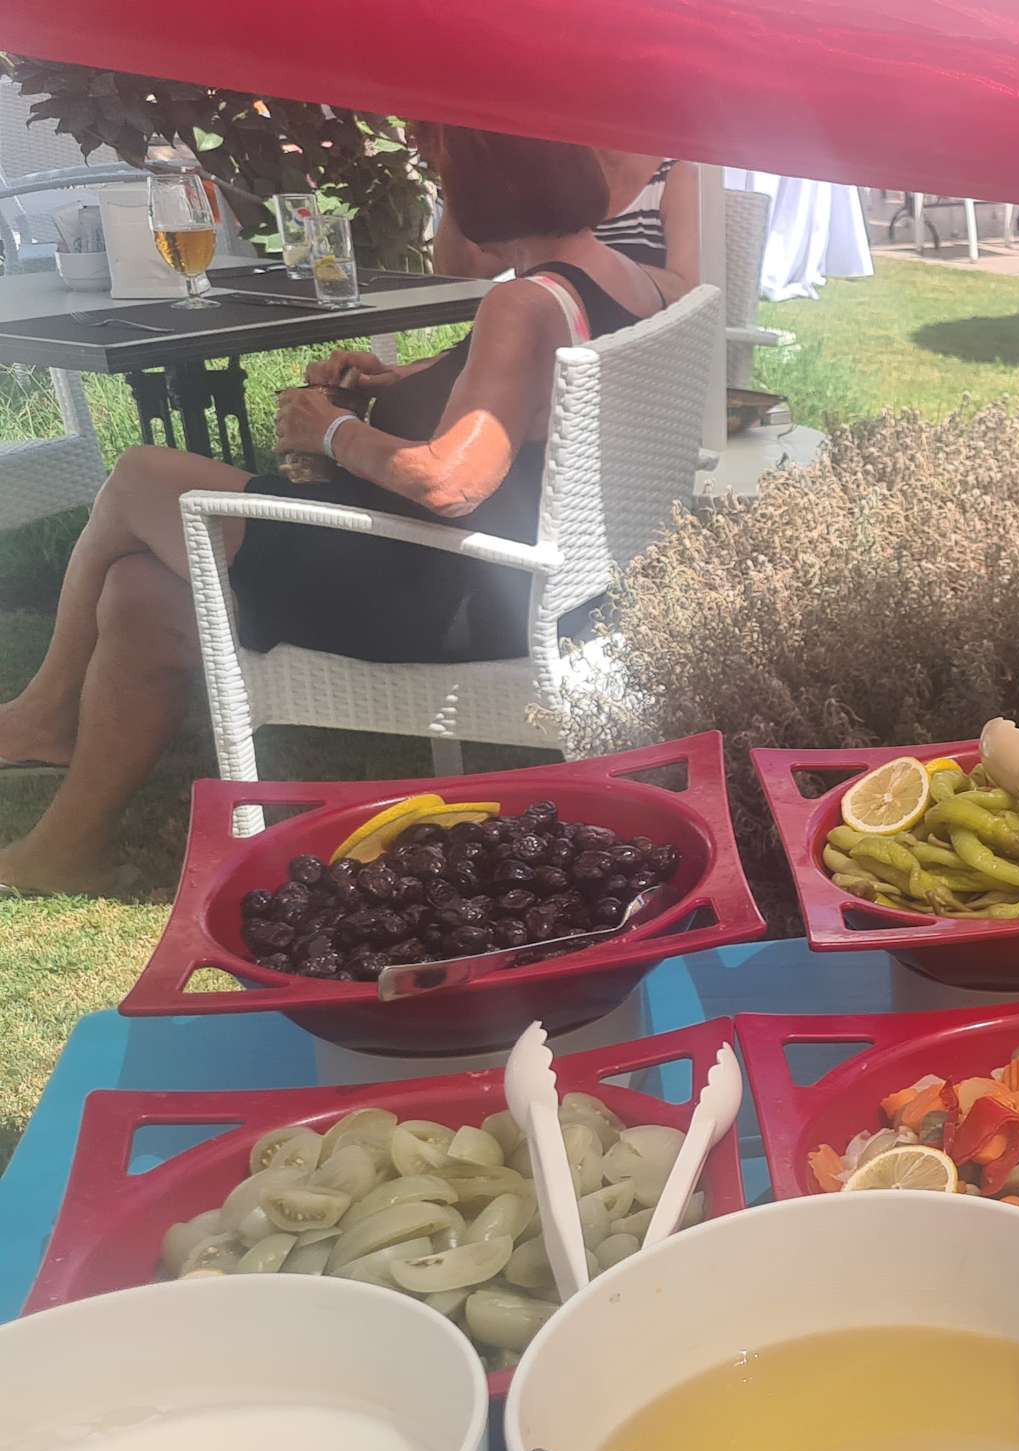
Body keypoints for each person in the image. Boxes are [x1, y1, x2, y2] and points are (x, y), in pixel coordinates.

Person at [0, 127, 685, 896]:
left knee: (139, 476)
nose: (444, 196)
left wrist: (329, 431)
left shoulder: (523, 303)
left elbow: (451, 483)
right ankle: (64, 848)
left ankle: (45, 712)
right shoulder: (637, 282)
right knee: (139, 594)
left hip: (448, 592)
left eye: (445, 178)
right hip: (543, 587)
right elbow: (516, 389)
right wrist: (395, 380)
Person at [437, 151, 701, 282]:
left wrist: (578, 271)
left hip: (631, 357)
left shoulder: (676, 176)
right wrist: (454, 173)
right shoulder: (546, 177)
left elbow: (686, 290)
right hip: (545, 351)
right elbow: (461, 273)